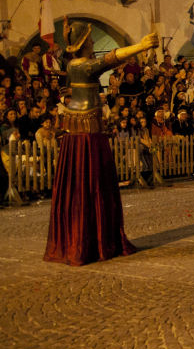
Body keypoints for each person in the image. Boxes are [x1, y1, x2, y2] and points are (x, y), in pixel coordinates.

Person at [44, 20, 159, 265]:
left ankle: (91, 236)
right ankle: (90, 240)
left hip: (84, 127)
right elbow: (110, 59)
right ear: (84, 42)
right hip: (87, 132)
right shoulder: (81, 65)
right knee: (92, 182)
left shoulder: (73, 63)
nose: (94, 42)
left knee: (85, 182)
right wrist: (140, 45)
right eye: (90, 39)